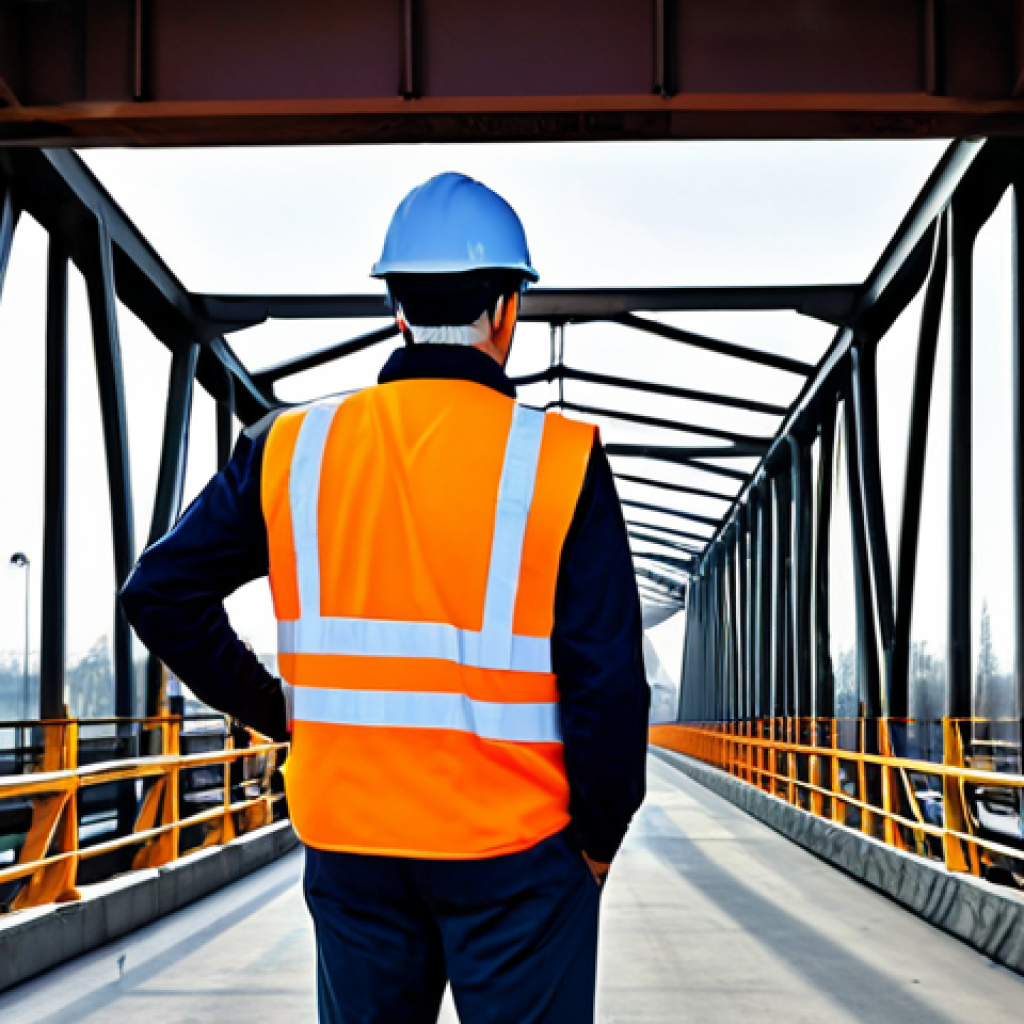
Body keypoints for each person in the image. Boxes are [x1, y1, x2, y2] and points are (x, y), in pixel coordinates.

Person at [121, 171, 649, 1023]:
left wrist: (278, 711)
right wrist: (598, 838)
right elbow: (608, 680)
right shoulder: (559, 460)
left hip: (352, 845)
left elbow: (160, 593)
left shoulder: (292, 446)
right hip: (514, 850)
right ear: (507, 310)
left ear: (395, 307)